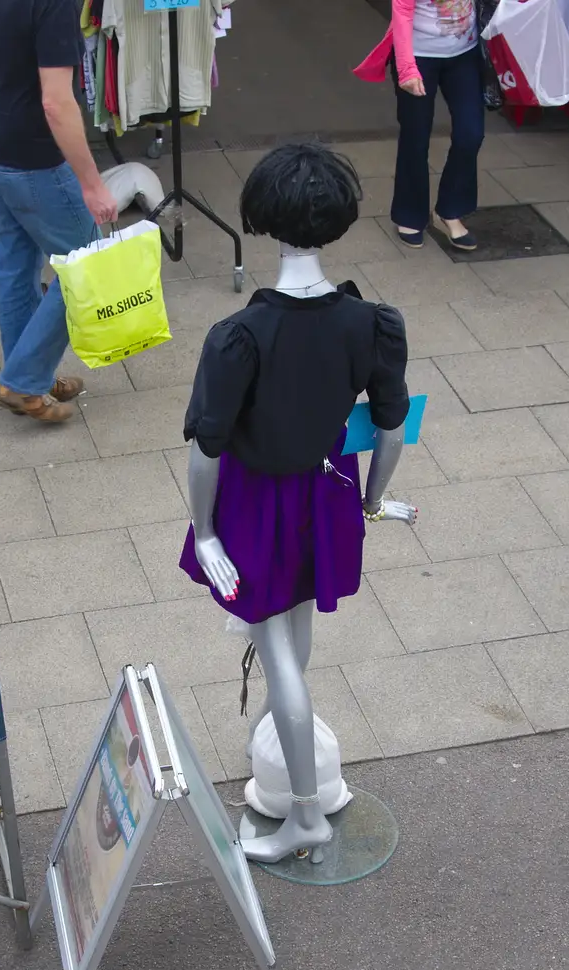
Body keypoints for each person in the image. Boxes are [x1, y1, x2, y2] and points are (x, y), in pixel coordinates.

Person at [179, 144, 418, 862]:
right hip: (331, 489)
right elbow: (391, 424)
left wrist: (206, 532)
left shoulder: (240, 339)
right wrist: (373, 500)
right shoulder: (370, 322)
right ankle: (289, 758)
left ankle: (304, 814)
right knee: (297, 630)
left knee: (274, 647)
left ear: (265, 219)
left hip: (260, 502)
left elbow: (206, 447)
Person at [0, 0, 119, 423]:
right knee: (88, 267)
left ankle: (27, 380)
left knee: (16, 267)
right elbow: (56, 103)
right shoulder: (54, 5)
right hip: (30, 159)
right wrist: (92, 183)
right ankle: (23, 380)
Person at [354, 0, 491, 251]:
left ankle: (450, 210)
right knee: (415, 137)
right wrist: (407, 69)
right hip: (418, 56)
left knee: (471, 133)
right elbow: (402, 11)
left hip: (465, 54)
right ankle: (409, 214)